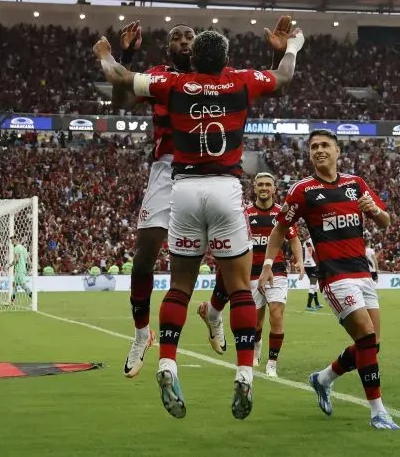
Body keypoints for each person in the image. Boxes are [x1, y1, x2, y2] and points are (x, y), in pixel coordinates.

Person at [94, 24, 303, 421]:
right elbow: (277, 81)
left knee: (189, 280)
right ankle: (144, 335)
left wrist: (107, 56)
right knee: (148, 261)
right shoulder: (184, 77)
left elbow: (118, 79)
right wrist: (291, 47)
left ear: (197, 51)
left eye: (190, 39)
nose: (184, 42)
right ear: (171, 47)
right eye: (177, 38)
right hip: (174, 173)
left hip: (188, 181)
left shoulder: (174, 84)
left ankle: (206, 321)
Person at [261, 129, 399, 430]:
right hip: (334, 277)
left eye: (325, 145)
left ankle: (323, 379)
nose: (319, 150)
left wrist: (373, 210)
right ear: (310, 155)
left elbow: (386, 221)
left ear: (337, 152)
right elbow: (280, 230)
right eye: (314, 147)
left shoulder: (356, 184)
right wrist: (268, 264)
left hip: (362, 273)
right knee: (364, 336)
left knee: (372, 345)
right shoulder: (303, 190)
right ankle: (378, 411)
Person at [245, 173, 302, 377]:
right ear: (254, 187)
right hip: (251, 274)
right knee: (256, 323)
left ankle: (272, 363)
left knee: (276, 315)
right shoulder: (245, 214)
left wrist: (299, 260)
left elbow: (294, 239)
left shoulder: (282, 213)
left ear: (274, 189)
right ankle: (257, 346)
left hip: (277, 271)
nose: (264, 187)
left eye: (268, 184)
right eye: (260, 184)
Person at [302, 235, 321, 310]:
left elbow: (304, 251)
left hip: (306, 265)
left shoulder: (305, 241)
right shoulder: (312, 240)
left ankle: (317, 303)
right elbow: (310, 249)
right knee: (313, 285)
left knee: (314, 284)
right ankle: (308, 305)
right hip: (312, 264)